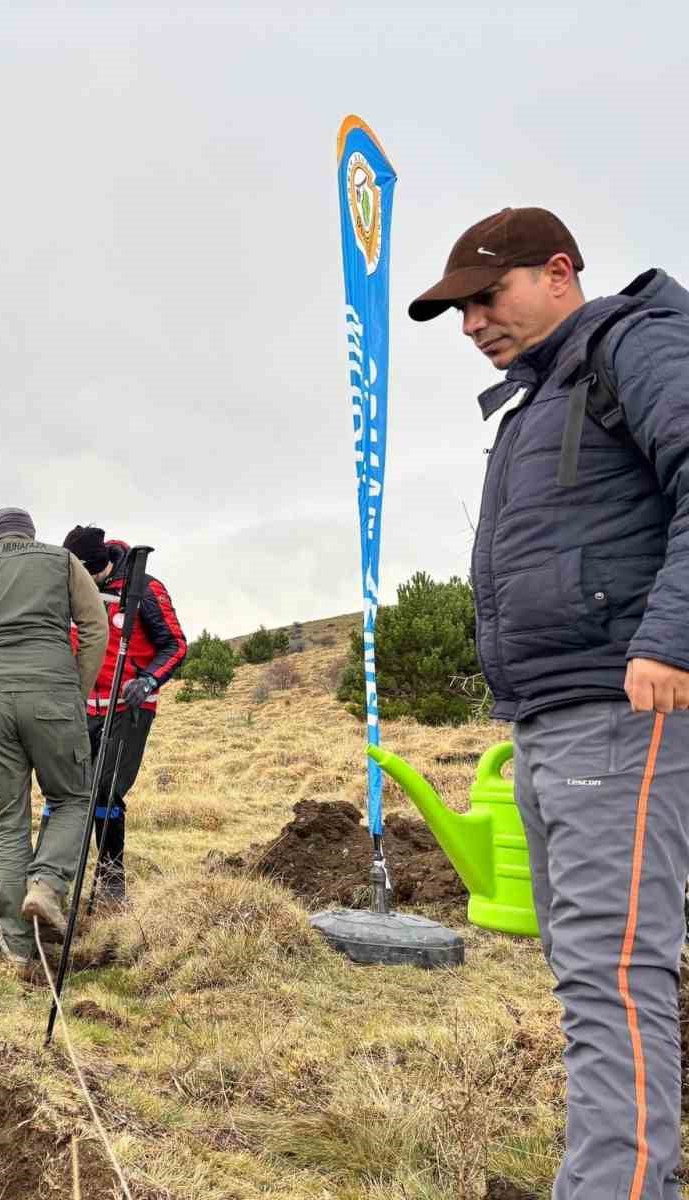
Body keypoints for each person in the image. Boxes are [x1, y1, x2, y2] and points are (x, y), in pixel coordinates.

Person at [410, 207, 689, 1198]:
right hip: (551, 713)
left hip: (620, 704)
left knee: (611, 972)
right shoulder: (541, 395)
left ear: (558, 272)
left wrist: (667, 641)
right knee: (588, 969)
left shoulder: (632, 346)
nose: (471, 321)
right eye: (459, 308)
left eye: (487, 296)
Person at [0, 507, 108, 974]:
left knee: (7, 821)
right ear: (30, 533)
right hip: (53, 695)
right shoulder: (61, 562)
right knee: (73, 797)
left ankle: (15, 943)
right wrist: (77, 686)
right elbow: (96, 627)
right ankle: (47, 885)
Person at [60, 526, 187, 904]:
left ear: (96, 566)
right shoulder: (69, 591)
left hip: (128, 707)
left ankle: (112, 882)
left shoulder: (143, 588)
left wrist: (147, 681)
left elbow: (176, 645)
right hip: (82, 709)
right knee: (73, 790)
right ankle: (57, 879)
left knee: (108, 790)